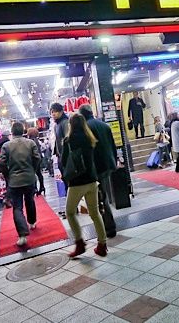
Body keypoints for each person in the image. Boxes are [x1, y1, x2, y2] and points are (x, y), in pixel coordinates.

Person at [60, 113, 108, 258]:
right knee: (95, 213)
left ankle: (80, 243)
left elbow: (64, 162)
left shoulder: (68, 141)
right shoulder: (90, 139)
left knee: (70, 212)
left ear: (71, 125)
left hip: (77, 182)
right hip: (92, 181)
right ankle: (102, 245)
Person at [78, 104, 118, 238]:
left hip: (96, 167)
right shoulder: (104, 125)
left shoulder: (85, 128)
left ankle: (109, 227)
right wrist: (114, 161)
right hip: (108, 164)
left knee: (101, 198)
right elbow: (112, 145)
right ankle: (107, 226)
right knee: (104, 195)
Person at [0, 122, 42, 247]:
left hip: (14, 180)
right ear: (23, 131)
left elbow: (2, 163)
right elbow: (37, 158)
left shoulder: (6, 146)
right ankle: (32, 222)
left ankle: (22, 235)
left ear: (12, 132)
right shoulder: (31, 143)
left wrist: (8, 175)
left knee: (17, 207)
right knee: (30, 200)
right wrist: (32, 170)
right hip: (29, 178)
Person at [26, 127, 47, 195]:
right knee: (38, 173)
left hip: (34, 159)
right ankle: (42, 187)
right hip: (39, 158)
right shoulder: (36, 140)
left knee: (33, 173)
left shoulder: (31, 141)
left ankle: (35, 188)